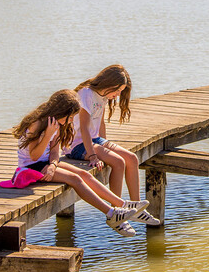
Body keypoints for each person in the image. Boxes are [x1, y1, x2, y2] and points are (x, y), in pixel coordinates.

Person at [10, 89, 148, 237]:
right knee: (75, 179)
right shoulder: (37, 124)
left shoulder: (57, 124)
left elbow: (55, 153)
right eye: (71, 117)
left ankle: (122, 205)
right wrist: (48, 135)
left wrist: (53, 165)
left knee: (84, 174)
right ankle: (111, 213)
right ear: (62, 111)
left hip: (46, 163)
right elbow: (34, 155)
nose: (71, 121)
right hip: (30, 167)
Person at [64, 65, 159, 226]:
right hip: (77, 145)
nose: (118, 94)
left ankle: (136, 209)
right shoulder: (86, 94)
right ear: (109, 84)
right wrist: (94, 155)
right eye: (118, 90)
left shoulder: (103, 96)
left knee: (131, 158)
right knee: (118, 162)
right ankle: (118, 213)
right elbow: (85, 129)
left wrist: (105, 147)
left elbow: (100, 123)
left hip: (94, 140)